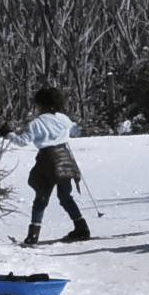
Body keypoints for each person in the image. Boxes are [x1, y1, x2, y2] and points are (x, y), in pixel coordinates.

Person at [17, 84, 92, 246]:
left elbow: (22, 142)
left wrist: (7, 133)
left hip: (46, 160)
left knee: (41, 198)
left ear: (40, 104)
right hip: (65, 159)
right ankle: (82, 227)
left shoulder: (36, 123)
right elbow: (75, 132)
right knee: (65, 196)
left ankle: (33, 234)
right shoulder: (63, 118)